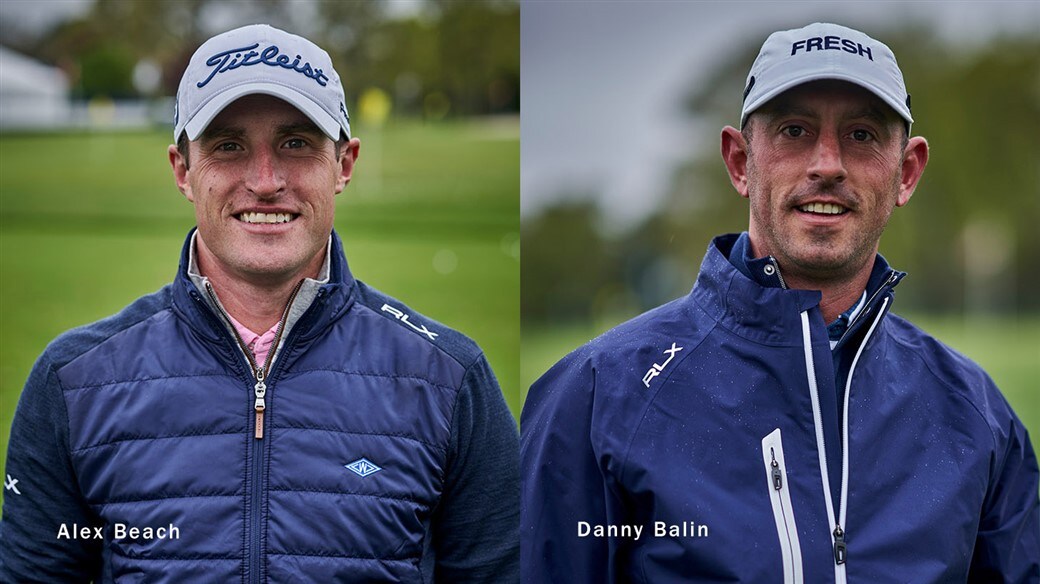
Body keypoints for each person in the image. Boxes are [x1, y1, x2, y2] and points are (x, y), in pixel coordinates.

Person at [521, 22, 1038, 583]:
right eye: (795, 130)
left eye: (862, 135)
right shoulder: (596, 395)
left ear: (906, 173)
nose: (827, 164)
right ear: (741, 162)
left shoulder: (977, 415)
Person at [0, 24, 519, 582]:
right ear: (183, 170)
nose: (266, 181)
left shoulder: (450, 378)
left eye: (296, 143)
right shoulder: (72, 381)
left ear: (343, 164)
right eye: (228, 146)